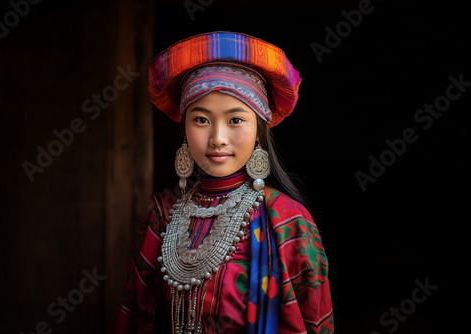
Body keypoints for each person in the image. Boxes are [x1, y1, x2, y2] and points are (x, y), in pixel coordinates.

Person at [114, 31, 333, 334]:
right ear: (184, 128)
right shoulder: (161, 217)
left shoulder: (288, 222)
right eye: (201, 120)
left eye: (235, 120)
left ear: (258, 130)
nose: (217, 139)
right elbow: (134, 319)